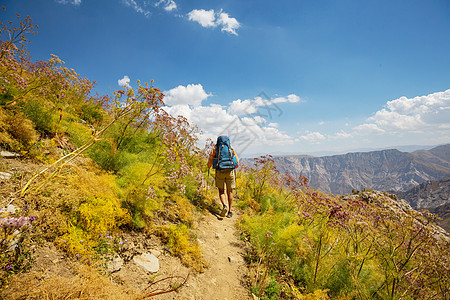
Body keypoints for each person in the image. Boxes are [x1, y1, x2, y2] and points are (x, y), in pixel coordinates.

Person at [207, 136, 239, 218]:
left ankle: (224, 205)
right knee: (230, 191)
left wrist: (209, 166)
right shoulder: (230, 148)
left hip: (220, 171)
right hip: (230, 171)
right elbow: (237, 162)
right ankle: (230, 212)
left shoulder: (215, 148)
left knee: (221, 191)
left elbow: (210, 159)